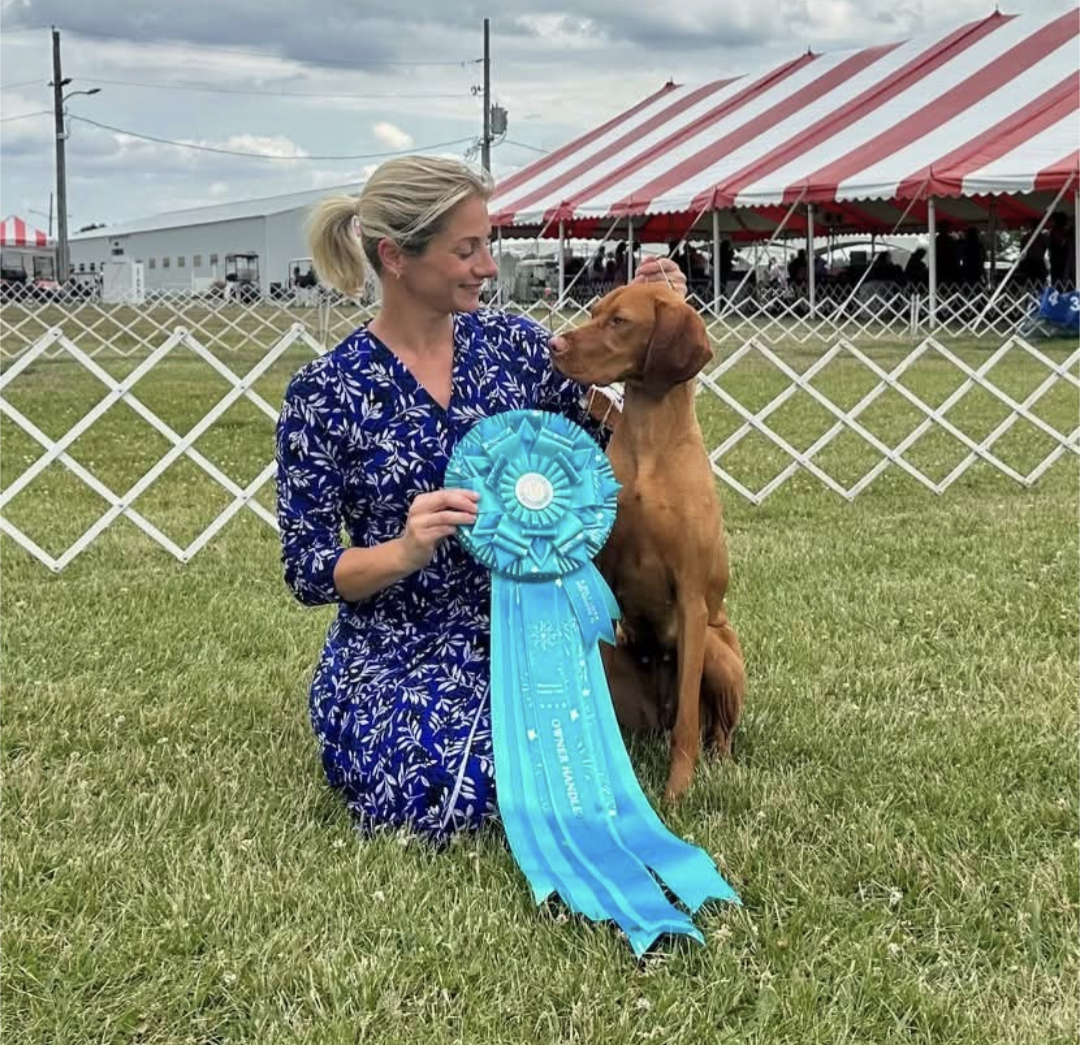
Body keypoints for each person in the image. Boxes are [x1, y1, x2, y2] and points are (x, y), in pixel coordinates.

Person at [275, 156, 686, 845]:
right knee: (440, 780)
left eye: (486, 245)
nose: (488, 266)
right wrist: (401, 552)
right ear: (394, 257)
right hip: (399, 644)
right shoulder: (323, 393)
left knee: (547, 769)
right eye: (466, 249)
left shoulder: (520, 349)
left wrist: (660, 321)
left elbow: (614, 443)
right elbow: (308, 569)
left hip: (532, 632)